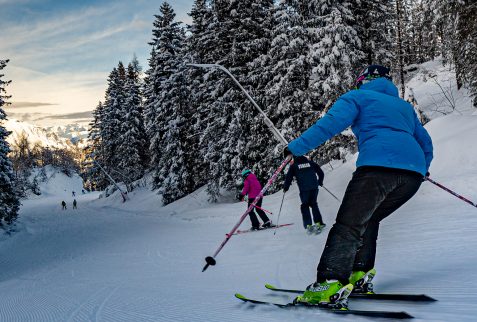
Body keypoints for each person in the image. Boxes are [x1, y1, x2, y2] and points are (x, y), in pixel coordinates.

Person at [283, 65, 433, 308]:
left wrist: (296, 148)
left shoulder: (357, 97)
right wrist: (422, 168)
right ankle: (359, 275)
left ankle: (330, 283)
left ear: (364, 80)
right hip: (411, 177)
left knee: (349, 225)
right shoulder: (404, 107)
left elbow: (330, 124)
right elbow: (425, 142)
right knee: (369, 219)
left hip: (376, 169)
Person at [283, 155, 326, 234]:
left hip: (304, 189)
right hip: (314, 187)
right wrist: (320, 181)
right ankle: (319, 223)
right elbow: (321, 173)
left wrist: (286, 187)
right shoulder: (311, 163)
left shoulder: (294, 166)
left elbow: (289, 177)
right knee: (314, 204)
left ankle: (308, 225)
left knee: (305, 205)